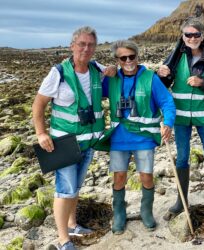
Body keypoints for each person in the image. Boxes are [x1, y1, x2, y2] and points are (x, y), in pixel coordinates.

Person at [32, 26, 112, 250]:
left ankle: (72, 224)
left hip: (89, 142)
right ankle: (63, 239)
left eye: (90, 45)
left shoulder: (97, 68)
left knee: (75, 187)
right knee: (64, 189)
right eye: (81, 44)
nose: (86, 49)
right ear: (72, 46)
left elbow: (115, 71)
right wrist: (41, 133)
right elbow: (38, 106)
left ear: (95, 48)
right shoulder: (58, 73)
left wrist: (114, 69)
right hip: (64, 143)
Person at [100, 40, 175, 233]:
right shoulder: (112, 78)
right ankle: (119, 213)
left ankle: (146, 211)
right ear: (117, 60)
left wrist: (168, 123)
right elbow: (91, 89)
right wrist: (102, 74)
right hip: (119, 137)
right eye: (123, 58)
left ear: (137, 56)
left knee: (146, 176)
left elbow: (167, 101)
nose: (128, 61)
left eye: (131, 56)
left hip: (144, 137)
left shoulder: (150, 77)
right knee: (119, 177)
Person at [157, 18, 204, 219]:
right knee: (182, 158)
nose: (192, 38)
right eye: (188, 34)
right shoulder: (175, 58)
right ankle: (181, 201)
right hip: (180, 118)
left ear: (202, 36)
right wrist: (160, 74)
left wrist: (202, 82)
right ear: (183, 37)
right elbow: (164, 85)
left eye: (196, 34)